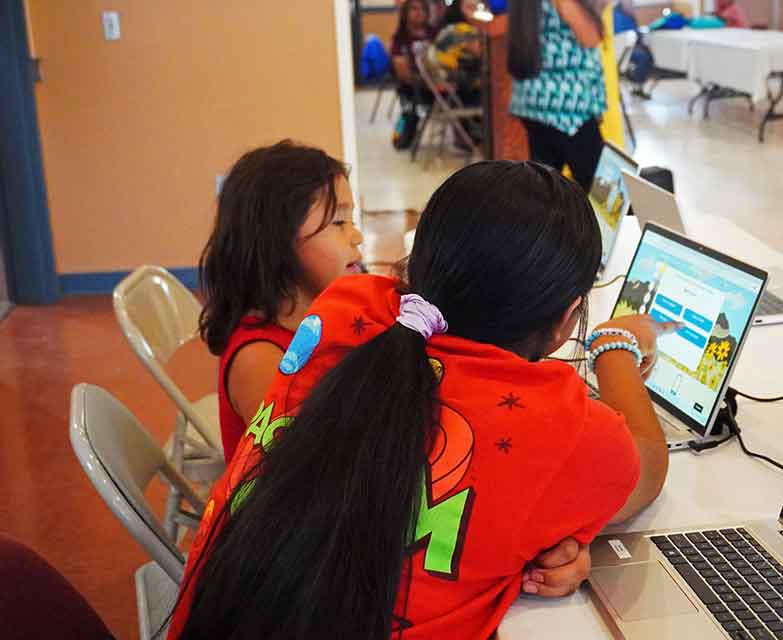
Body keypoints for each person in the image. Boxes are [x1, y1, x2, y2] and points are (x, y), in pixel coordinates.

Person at [169, 161, 676, 639]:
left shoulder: (344, 310)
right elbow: (647, 468)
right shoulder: (570, 431)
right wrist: (615, 346)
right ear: (567, 319)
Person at [198, 141, 364, 464]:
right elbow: (316, 472)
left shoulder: (323, 314)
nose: (356, 236)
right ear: (278, 238)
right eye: (339, 223)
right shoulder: (260, 359)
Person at [508, 0, 608, 192]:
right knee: (601, 193)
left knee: (546, 191)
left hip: (534, 102)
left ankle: (544, 222)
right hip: (567, 108)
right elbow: (590, 37)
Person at [391, 0, 436, 103]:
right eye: (414, 8)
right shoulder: (400, 38)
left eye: (422, 9)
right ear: (406, 13)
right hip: (416, 85)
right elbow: (401, 70)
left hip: (440, 79)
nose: (419, 12)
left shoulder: (434, 33)